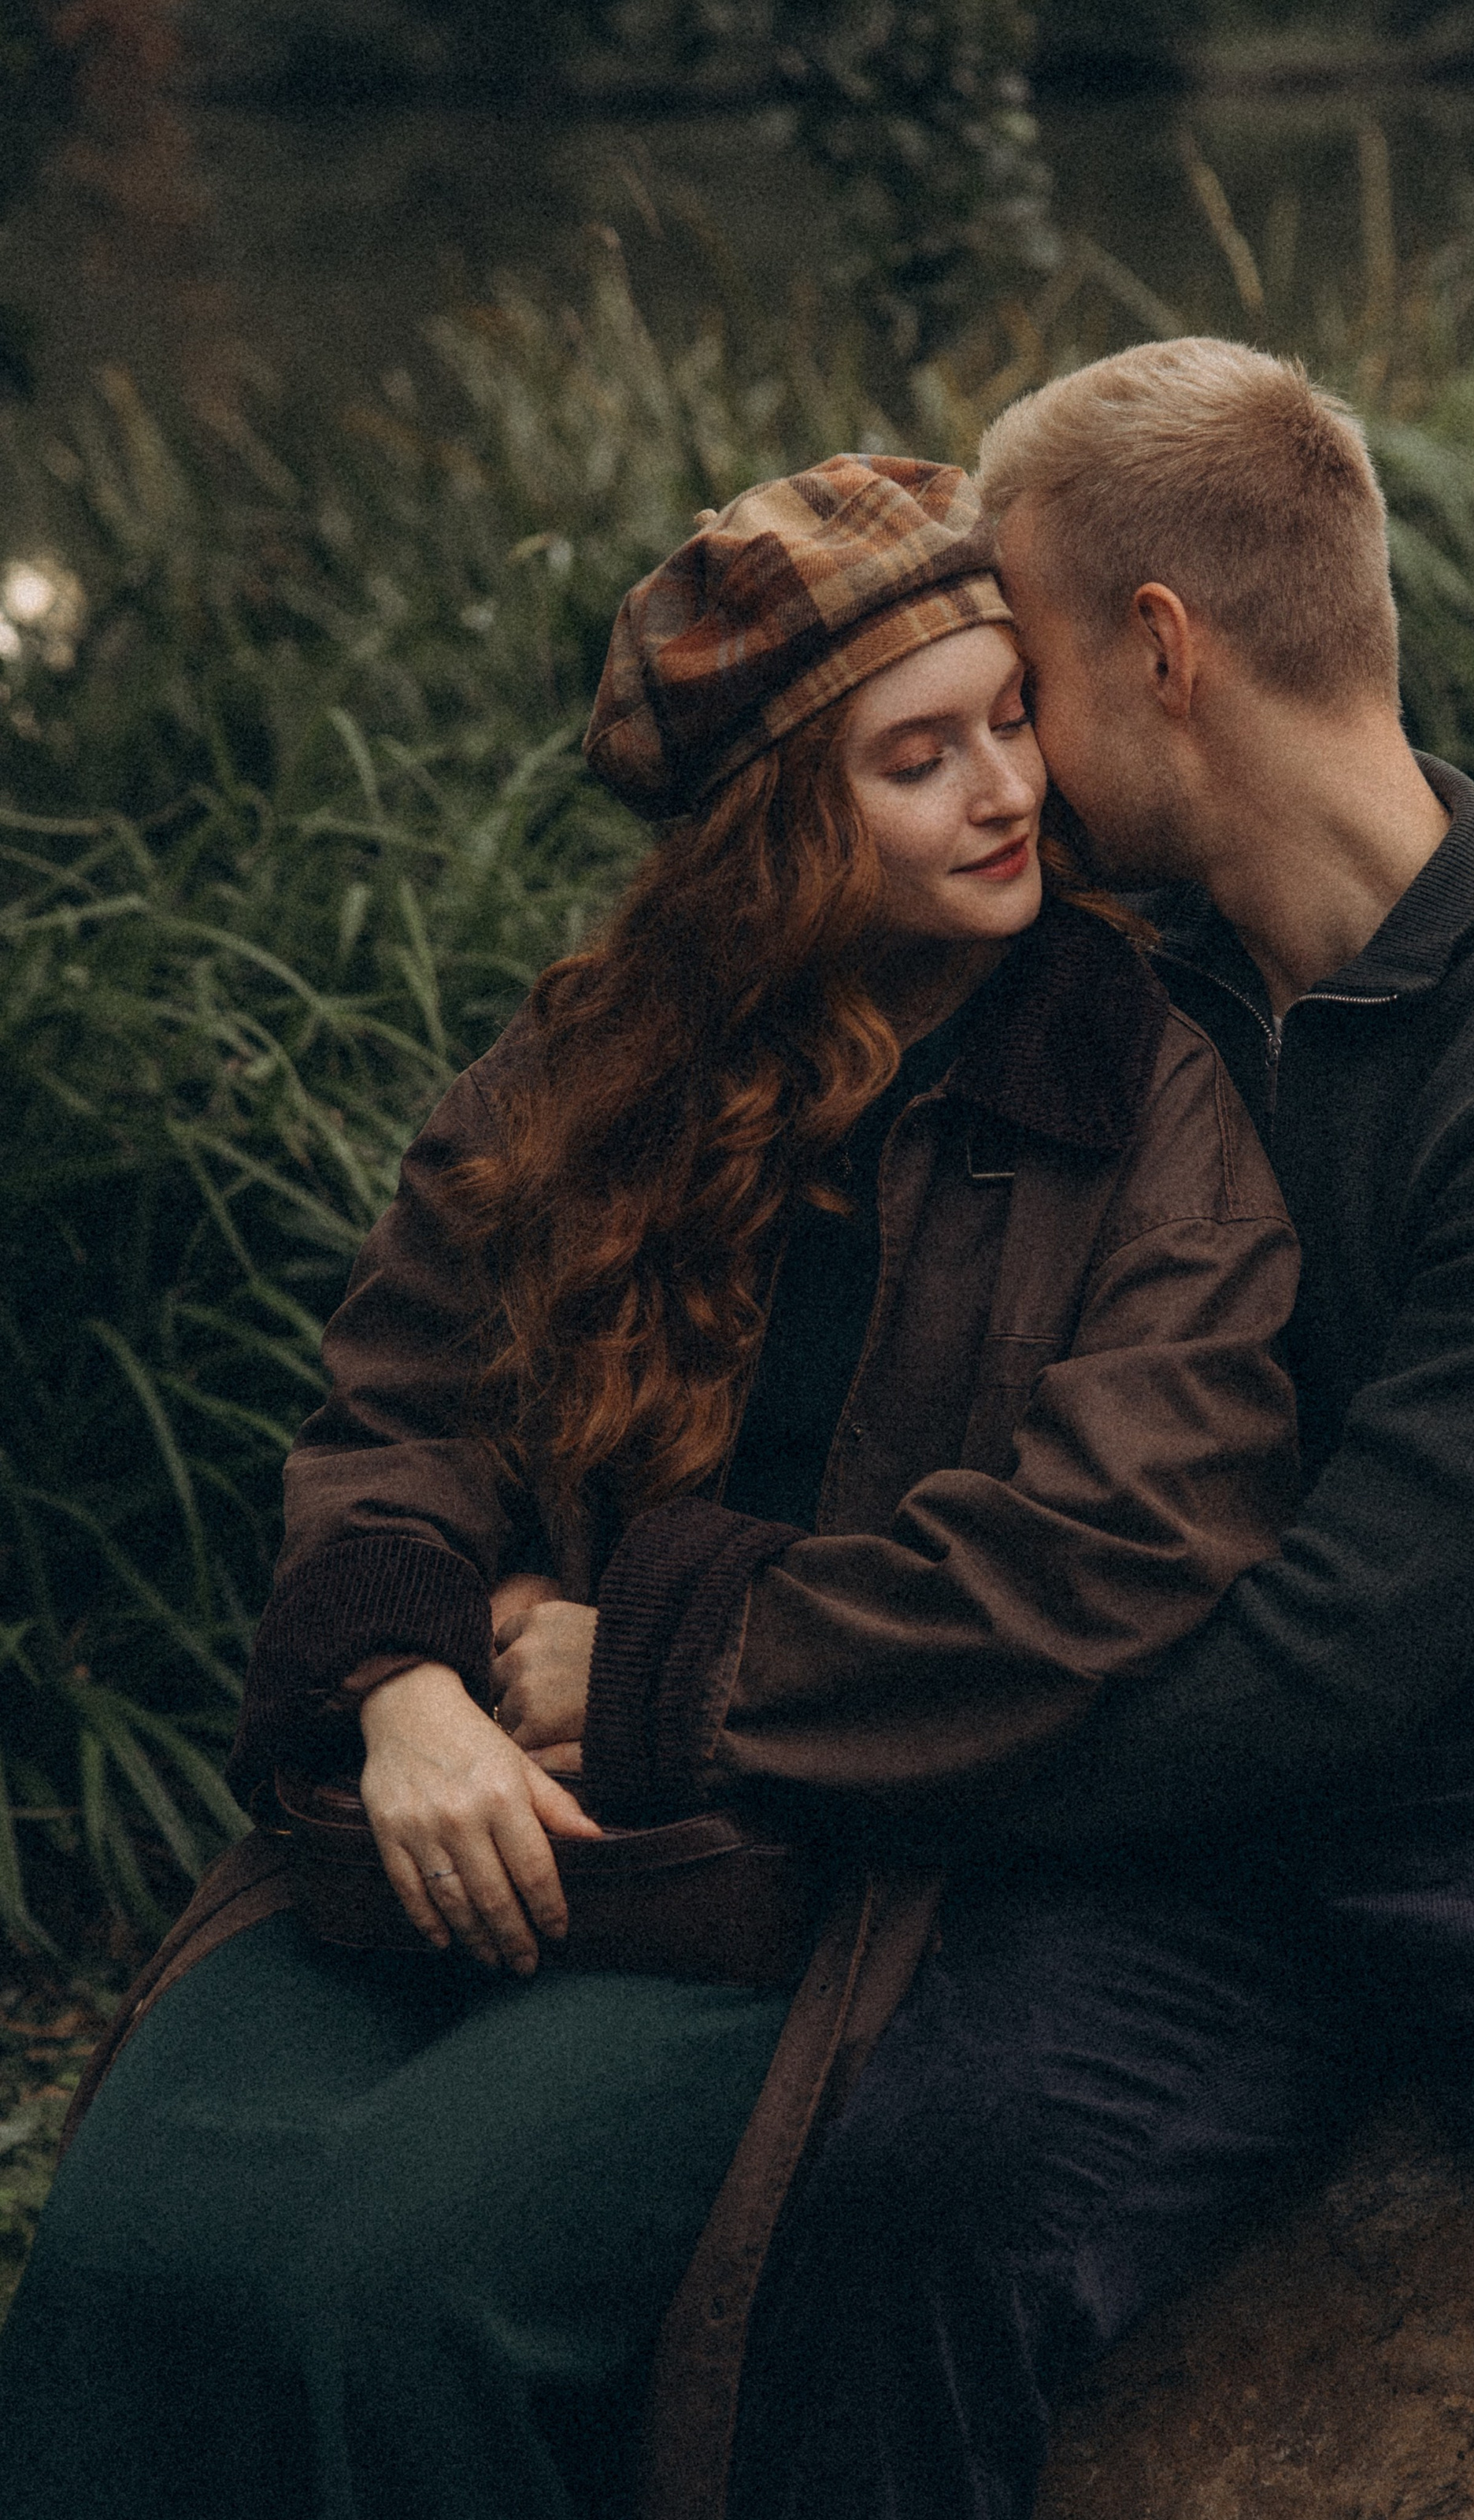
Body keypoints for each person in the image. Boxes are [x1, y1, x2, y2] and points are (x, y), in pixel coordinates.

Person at [713, 346, 1474, 2520]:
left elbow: (1347, 1650)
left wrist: (891, 1759)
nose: (1012, 742)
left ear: (1164, 648)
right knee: (919, 2194)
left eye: (1032, 670)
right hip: (1220, 1845)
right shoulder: (1132, 982)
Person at [0, 454, 1302, 2520]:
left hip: (796, 1859)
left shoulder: (1135, 1090)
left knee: (394, 2286)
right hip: (464, 1799)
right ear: (781, 823)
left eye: (1008, 723)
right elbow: (402, 1419)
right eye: (917, 755)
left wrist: (650, 1663)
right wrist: (406, 1697)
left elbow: (1127, 1538)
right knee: (130, 2254)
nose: (1005, 793)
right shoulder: (595, 1064)